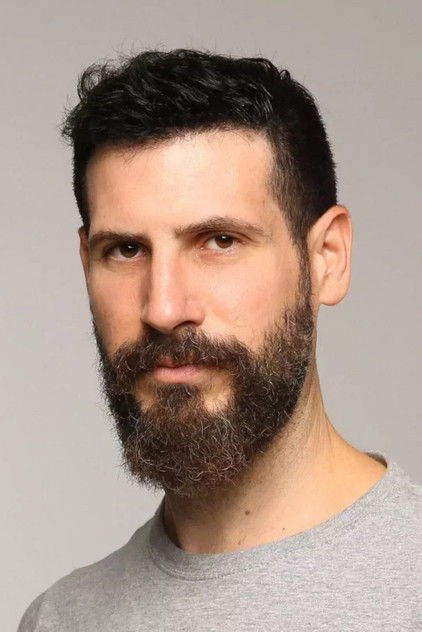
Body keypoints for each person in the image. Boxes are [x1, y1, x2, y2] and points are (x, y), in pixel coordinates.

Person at [19, 49, 421, 631]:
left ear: (327, 258)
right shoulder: (60, 619)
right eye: (126, 250)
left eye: (220, 241)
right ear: (86, 264)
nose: (163, 309)